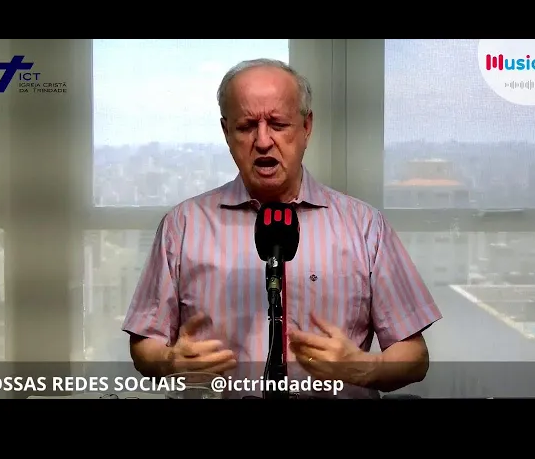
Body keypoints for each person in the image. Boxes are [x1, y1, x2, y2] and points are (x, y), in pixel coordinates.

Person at [122, 58, 442, 398]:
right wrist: (168, 361)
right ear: (226, 132)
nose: (263, 141)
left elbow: (414, 356)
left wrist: (364, 367)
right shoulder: (183, 225)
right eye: (246, 126)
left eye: (278, 124)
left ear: (306, 126)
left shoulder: (364, 226)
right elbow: (145, 344)